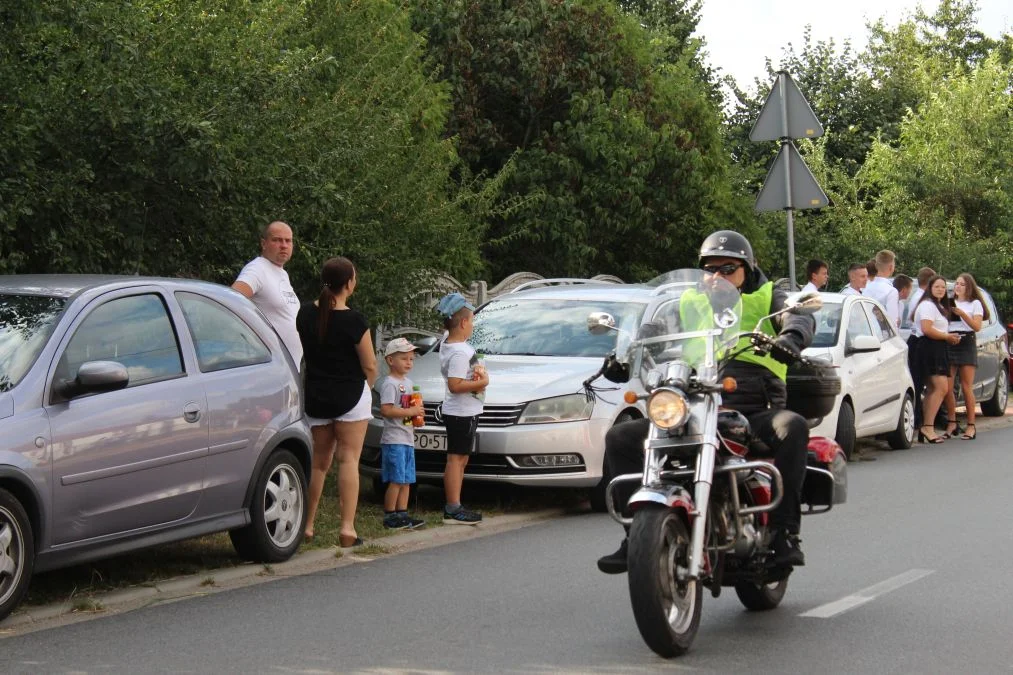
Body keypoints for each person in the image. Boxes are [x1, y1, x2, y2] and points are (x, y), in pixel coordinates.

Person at [596, 230, 815, 577]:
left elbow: (798, 317)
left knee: (793, 428)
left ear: (748, 268)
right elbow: (651, 335)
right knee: (621, 438)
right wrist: (624, 355)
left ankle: (784, 534)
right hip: (694, 403)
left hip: (753, 407)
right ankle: (637, 536)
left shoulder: (769, 295)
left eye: (728, 269)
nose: (717, 278)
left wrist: (791, 337)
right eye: (710, 270)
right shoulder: (687, 303)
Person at [297, 257, 378, 547]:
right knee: (348, 460)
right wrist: (365, 387)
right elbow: (369, 365)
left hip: (316, 396)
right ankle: (347, 529)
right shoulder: (355, 321)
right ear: (349, 283)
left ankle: (305, 526)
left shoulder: (305, 314)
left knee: (318, 465)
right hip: (350, 397)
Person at [436, 292, 488, 525]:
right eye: (472, 322)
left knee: (460, 459)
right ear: (464, 322)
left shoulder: (454, 344)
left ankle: (455, 504)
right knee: (456, 460)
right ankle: (453, 507)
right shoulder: (458, 351)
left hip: (466, 410)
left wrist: (477, 371)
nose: (472, 326)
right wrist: (482, 382)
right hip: (460, 412)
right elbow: (455, 385)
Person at [232, 221, 303, 369]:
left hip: (287, 369)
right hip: (268, 367)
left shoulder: (281, 273)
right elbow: (231, 300)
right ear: (264, 244)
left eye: (288, 240)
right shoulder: (257, 269)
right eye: (277, 240)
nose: (284, 245)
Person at [377, 338, 427, 530]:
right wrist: (410, 413)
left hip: (407, 438)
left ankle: (403, 513)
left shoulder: (409, 383)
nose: (409, 362)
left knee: (407, 480)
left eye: (411, 359)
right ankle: (390, 515)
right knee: (396, 479)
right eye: (404, 358)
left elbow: (410, 409)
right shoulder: (389, 383)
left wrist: (417, 417)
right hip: (394, 439)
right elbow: (387, 410)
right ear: (390, 360)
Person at [912, 275, 961, 444]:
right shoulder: (927, 305)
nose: (940, 289)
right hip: (928, 349)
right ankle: (927, 427)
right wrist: (947, 336)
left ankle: (927, 427)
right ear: (930, 288)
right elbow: (926, 329)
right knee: (941, 387)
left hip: (938, 348)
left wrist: (948, 337)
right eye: (937, 287)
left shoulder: (939, 305)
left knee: (935, 388)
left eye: (943, 287)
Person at [941, 273, 988, 441]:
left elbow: (976, 326)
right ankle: (952, 422)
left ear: (969, 287)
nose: (958, 287)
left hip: (966, 341)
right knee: (947, 386)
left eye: (962, 284)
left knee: (967, 386)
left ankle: (971, 425)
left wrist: (962, 314)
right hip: (950, 340)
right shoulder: (948, 302)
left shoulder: (974, 304)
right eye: (957, 284)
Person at [906, 267, 936, 427]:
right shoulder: (922, 300)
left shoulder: (917, 297)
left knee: (919, 380)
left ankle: (919, 416)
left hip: (916, 339)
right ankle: (917, 417)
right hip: (918, 339)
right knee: (917, 381)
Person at [863, 250, 901, 327]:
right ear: (891, 267)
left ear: (876, 266)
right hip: (882, 335)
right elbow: (892, 322)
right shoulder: (891, 291)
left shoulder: (866, 287)